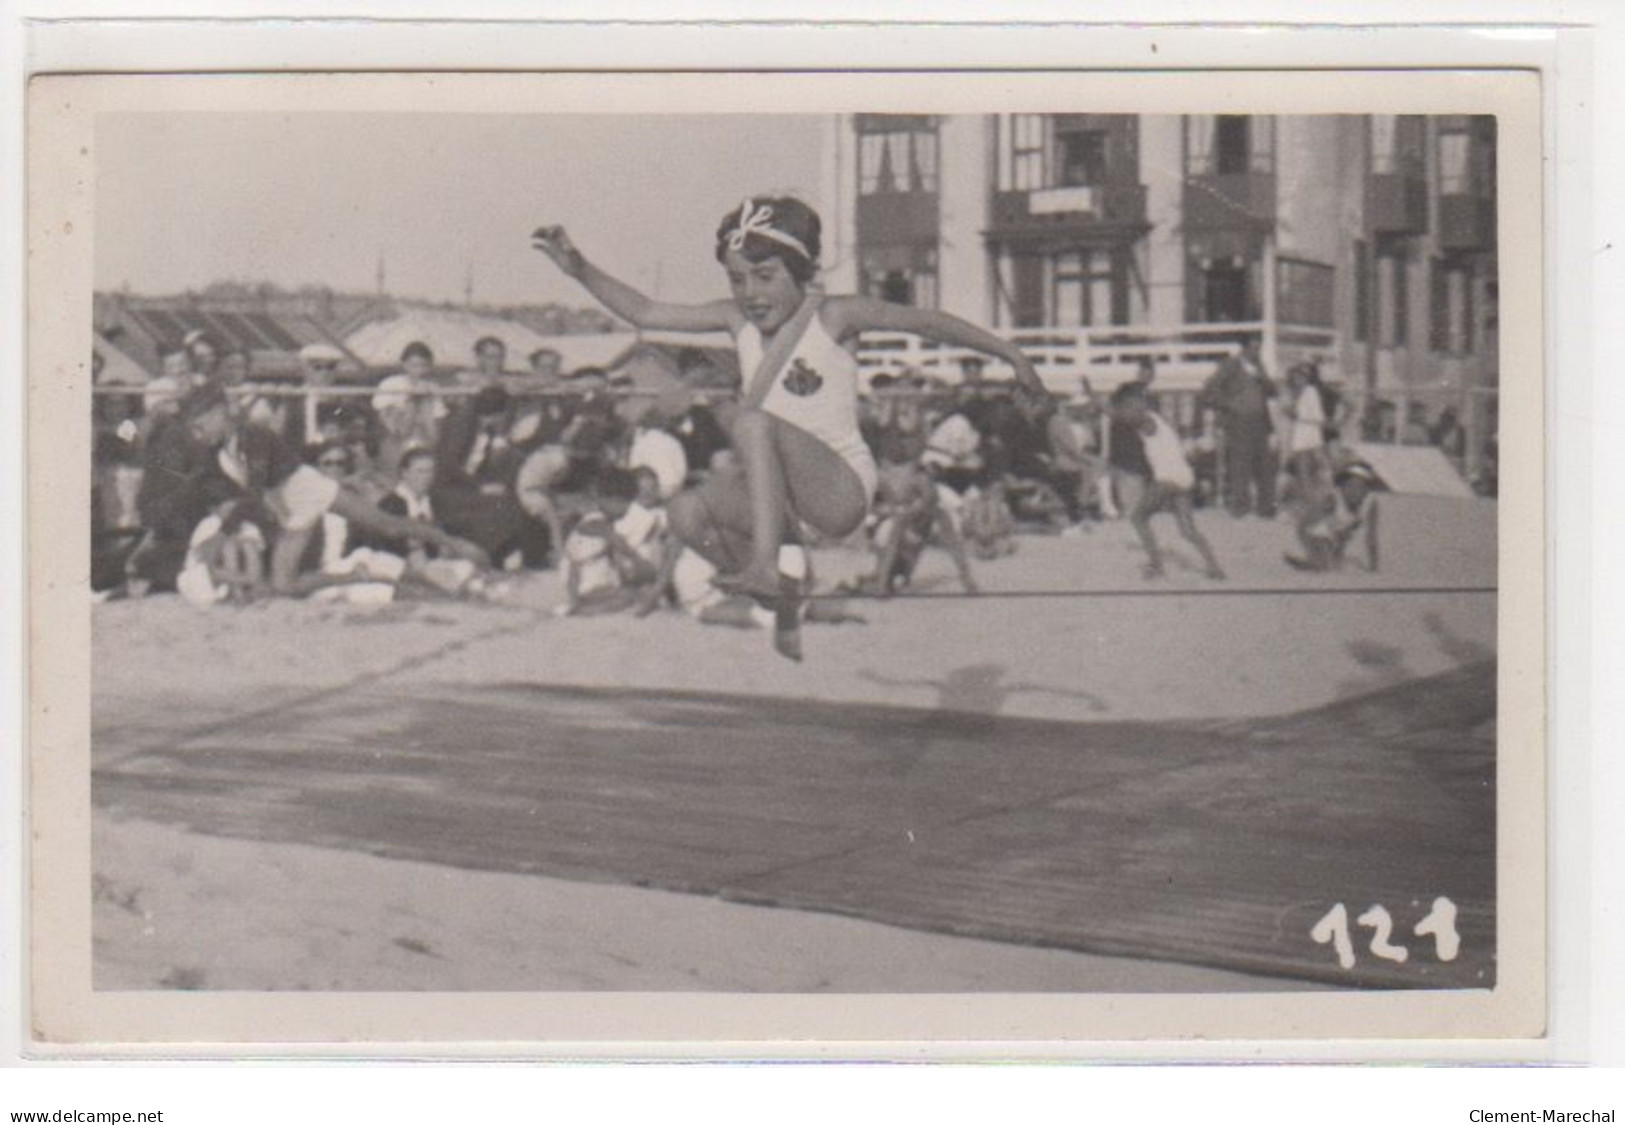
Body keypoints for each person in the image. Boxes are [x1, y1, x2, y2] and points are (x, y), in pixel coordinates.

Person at [533, 196, 1047, 659]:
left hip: (839, 486)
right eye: (738, 279)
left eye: (764, 275)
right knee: (687, 513)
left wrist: (1012, 355)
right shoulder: (737, 321)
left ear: (801, 272)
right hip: (780, 494)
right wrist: (578, 269)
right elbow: (645, 310)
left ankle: (764, 566)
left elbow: (926, 322)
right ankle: (780, 585)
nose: (750, 293)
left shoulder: (835, 315)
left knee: (753, 422)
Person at [1113, 383, 1226, 581]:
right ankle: (1214, 567)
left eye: (1125, 408)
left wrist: (1119, 410)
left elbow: (1131, 418)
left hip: (1167, 478)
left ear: (1133, 405)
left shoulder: (1146, 421)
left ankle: (1156, 565)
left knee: (1138, 518)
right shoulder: (1155, 419)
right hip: (1184, 477)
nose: (1124, 414)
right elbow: (1127, 416)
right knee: (1187, 530)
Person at [1199, 338, 1278, 518]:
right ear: (1244, 348)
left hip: (1260, 421)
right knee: (1240, 464)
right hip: (1239, 421)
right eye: (1253, 347)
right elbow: (1209, 389)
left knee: (1264, 464)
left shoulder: (1259, 366)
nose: (1257, 352)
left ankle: (1266, 507)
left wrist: (1263, 380)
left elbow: (1273, 391)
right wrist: (1229, 404)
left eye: (1259, 348)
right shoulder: (1231, 365)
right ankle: (1240, 506)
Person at [175, 477, 265, 607]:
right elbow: (205, 559)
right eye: (227, 510)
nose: (232, 514)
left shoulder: (247, 526)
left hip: (229, 579)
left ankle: (252, 591)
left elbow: (256, 554)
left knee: (247, 543)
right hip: (199, 577)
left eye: (235, 510)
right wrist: (247, 578)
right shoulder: (210, 524)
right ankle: (238, 592)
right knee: (228, 544)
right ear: (213, 509)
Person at [1287, 461, 1381, 573]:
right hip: (1316, 530)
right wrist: (1311, 546)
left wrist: (1374, 565)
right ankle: (1315, 561)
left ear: (1366, 490)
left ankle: (1316, 562)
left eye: (1360, 487)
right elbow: (1306, 526)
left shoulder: (1370, 504)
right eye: (1349, 486)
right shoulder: (1332, 500)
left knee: (1337, 564)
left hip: (1341, 531)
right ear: (1341, 487)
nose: (1354, 491)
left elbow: (1371, 537)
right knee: (1327, 565)